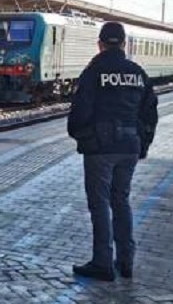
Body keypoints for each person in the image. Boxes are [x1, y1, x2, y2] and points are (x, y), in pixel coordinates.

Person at [67, 22, 159, 282]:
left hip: (100, 148)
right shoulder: (137, 72)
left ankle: (102, 263)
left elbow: (80, 111)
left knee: (99, 205)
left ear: (100, 43)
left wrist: (80, 136)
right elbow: (150, 112)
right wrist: (143, 143)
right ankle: (126, 260)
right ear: (124, 43)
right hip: (129, 146)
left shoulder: (94, 72)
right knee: (121, 201)